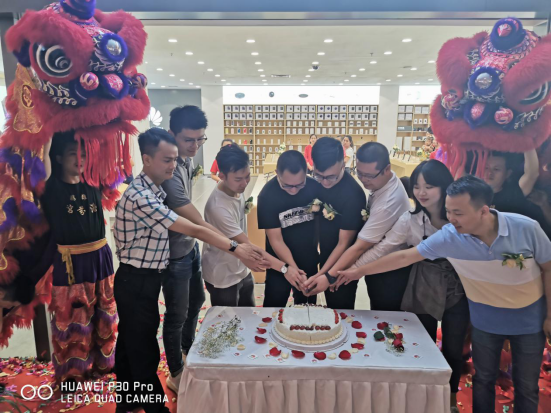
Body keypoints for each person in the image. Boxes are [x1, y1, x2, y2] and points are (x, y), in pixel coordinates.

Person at [337, 175, 551, 414]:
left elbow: (549, 268)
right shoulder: (451, 237)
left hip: (529, 321)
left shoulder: (526, 228)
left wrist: (549, 316)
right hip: (485, 322)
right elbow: (405, 257)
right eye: (448, 211)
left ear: (483, 211)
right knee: (483, 380)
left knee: (526, 386)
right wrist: (358, 271)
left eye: (458, 213)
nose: (450, 218)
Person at [114, 128, 264, 413]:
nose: (173, 165)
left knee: (129, 344)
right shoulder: (141, 197)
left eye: (175, 160)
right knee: (143, 349)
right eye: (167, 160)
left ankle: (127, 401)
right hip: (136, 280)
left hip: (146, 277)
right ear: (146, 159)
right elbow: (193, 228)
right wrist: (236, 248)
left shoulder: (155, 190)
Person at [338, 160, 470, 412]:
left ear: (444, 186)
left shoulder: (459, 218)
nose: (421, 192)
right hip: (424, 283)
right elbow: (386, 250)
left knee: (454, 347)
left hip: (458, 285)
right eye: (417, 186)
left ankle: (451, 399)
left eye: (429, 186)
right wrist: (354, 271)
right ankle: (422, 398)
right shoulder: (410, 219)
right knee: (422, 342)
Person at [42, 131, 117, 383]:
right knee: (73, 317)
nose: (80, 159)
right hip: (70, 263)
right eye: (73, 154)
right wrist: (46, 133)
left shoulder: (92, 182)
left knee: (106, 311)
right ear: (59, 158)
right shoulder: (52, 187)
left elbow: (105, 153)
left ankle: (105, 364)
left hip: (101, 258)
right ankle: (73, 373)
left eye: (83, 154)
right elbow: (43, 162)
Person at [161, 106, 225, 393]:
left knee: (196, 300)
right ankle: (175, 372)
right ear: (172, 134)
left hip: (188, 247)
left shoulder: (185, 161)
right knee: (176, 314)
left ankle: (189, 352)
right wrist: (227, 243)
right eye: (189, 140)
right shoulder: (170, 168)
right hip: (173, 254)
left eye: (200, 139)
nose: (195, 146)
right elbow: (190, 215)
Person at [305, 141, 411, 312]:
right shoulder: (380, 185)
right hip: (361, 263)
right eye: (360, 173)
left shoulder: (371, 199)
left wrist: (332, 275)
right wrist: (325, 273)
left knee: (382, 315)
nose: (363, 179)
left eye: (369, 175)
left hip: (389, 270)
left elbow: (356, 246)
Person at [202, 144, 297, 306]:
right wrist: (285, 269)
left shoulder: (234, 189)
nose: (245, 183)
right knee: (229, 319)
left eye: (247, 176)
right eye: (238, 179)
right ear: (222, 175)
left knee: (249, 314)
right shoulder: (218, 208)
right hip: (223, 275)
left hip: (242, 268)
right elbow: (248, 245)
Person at [304, 137, 366, 309]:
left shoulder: (353, 194)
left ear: (342, 164)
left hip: (344, 264)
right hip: (324, 253)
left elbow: (344, 244)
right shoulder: (318, 183)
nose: (325, 182)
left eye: (331, 177)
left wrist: (324, 275)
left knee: (340, 310)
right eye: (319, 175)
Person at [258, 150, 321, 307]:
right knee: (273, 307)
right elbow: (276, 240)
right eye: (286, 185)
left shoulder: (315, 187)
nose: (293, 190)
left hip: (308, 260)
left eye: (299, 184)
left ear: (306, 172)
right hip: (279, 263)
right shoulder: (267, 195)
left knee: (307, 309)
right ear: (276, 173)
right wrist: (290, 268)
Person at [483, 150, 551, 234]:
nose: (489, 172)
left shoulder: (514, 193)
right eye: (486, 168)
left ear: (508, 174)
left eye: (496, 169)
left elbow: (532, 174)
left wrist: (528, 145)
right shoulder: (473, 192)